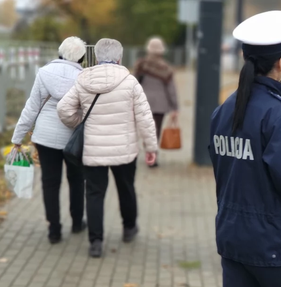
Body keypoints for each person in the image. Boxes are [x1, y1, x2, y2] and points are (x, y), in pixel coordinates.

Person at [208, 11, 281, 287]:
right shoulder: (278, 114)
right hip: (276, 246)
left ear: (245, 57)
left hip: (234, 241)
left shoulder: (223, 111)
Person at [57, 38, 158, 258]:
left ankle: (95, 242)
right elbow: (145, 118)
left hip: (93, 150)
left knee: (94, 194)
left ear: (96, 57)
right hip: (125, 150)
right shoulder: (130, 82)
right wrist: (151, 147)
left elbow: (63, 108)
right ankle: (129, 229)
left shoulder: (83, 80)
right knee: (126, 189)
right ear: (120, 58)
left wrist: (79, 122)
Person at [12, 37, 87, 244]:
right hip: (74, 138)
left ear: (59, 52)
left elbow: (32, 107)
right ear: (81, 57)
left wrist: (18, 138)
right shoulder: (84, 78)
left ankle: (54, 230)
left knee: (50, 183)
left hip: (45, 137)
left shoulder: (44, 73)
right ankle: (77, 222)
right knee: (77, 180)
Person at [133, 36, 178, 167]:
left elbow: (133, 82)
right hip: (160, 104)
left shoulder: (141, 65)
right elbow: (171, 90)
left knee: (145, 128)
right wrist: (175, 107)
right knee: (155, 130)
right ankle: (152, 157)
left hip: (143, 102)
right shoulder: (166, 68)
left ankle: (146, 148)